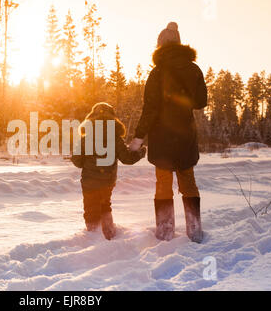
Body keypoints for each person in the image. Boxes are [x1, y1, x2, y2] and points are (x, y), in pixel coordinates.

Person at [129, 22, 208, 243]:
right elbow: (201, 101)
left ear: (160, 45)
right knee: (188, 181)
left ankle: (165, 232)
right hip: (185, 134)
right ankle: (194, 231)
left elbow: (151, 108)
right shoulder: (194, 69)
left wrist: (138, 136)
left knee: (163, 184)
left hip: (162, 137)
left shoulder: (157, 73)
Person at [71, 102, 146, 240]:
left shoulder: (86, 138)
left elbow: (76, 161)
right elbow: (127, 159)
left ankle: (93, 236)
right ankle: (108, 235)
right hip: (107, 181)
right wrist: (140, 152)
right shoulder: (116, 139)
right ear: (113, 119)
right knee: (105, 205)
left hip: (89, 182)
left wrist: (85, 161)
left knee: (90, 208)